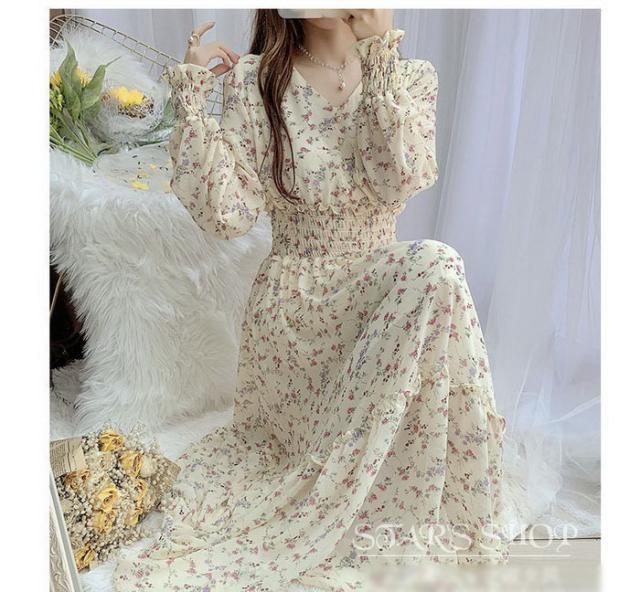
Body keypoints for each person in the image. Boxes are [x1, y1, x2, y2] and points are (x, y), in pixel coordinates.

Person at [113, 9, 509, 591]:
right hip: (295, 312)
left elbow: (399, 179)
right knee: (433, 267)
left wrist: (379, 53)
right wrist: (193, 100)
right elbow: (228, 216)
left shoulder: (408, 75)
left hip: (378, 303)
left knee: (436, 268)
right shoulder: (256, 81)